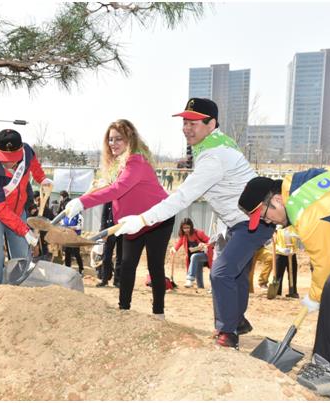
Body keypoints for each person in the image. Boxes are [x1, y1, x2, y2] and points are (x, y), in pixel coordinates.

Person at [115, 99, 275, 346]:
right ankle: (237, 321)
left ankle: (227, 332)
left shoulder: (214, 156)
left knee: (221, 273)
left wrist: (143, 219)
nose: (186, 128)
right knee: (237, 273)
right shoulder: (217, 145)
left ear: (211, 124)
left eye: (193, 123)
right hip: (239, 222)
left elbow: (182, 197)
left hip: (253, 221)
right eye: (184, 122)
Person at [238, 169, 330, 399]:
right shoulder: (298, 186)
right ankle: (326, 362)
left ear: (276, 199)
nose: (269, 222)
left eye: (265, 216)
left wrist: (314, 297)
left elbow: (324, 265)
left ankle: (328, 370)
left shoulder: (304, 211)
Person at [65, 119, 173, 319]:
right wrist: (83, 198)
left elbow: (117, 190)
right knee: (127, 263)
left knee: (155, 266)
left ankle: (159, 313)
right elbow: (107, 187)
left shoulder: (137, 161)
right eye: (110, 140)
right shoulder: (116, 165)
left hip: (157, 219)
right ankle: (124, 310)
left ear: (130, 139)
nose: (113, 144)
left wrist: (83, 202)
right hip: (133, 222)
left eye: (118, 139)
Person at [0, 129, 52, 289]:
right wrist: (24, 230)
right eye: (5, 158)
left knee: (21, 251)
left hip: (18, 209)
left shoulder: (26, 151)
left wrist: (42, 179)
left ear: (20, 150)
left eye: (13, 158)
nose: (9, 163)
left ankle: (21, 286)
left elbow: (35, 166)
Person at [170, 218, 213, 289]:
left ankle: (190, 279)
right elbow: (179, 243)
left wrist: (204, 244)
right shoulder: (184, 236)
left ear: (191, 226)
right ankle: (201, 288)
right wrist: (174, 249)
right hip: (196, 258)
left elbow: (211, 242)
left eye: (188, 227)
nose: (186, 229)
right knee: (198, 271)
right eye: (184, 228)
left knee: (194, 256)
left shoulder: (199, 233)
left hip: (206, 255)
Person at [96, 202, 123, 287]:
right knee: (106, 256)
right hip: (110, 230)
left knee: (120, 256)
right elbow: (104, 215)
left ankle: (117, 280)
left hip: (122, 230)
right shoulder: (108, 200)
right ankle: (104, 279)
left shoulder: (126, 198)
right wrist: (103, 232)